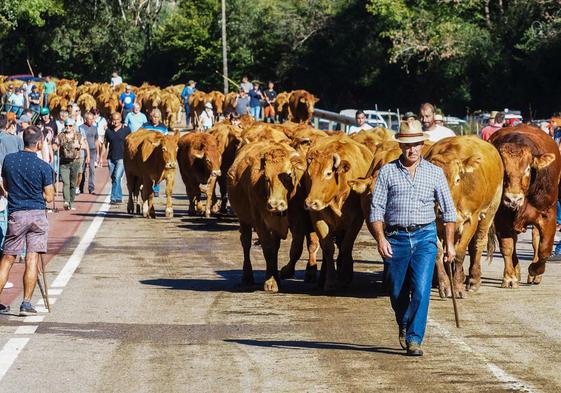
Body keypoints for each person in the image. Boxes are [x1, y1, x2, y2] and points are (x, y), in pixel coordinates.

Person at [367, 120, 456, 356]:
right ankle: (404, 321)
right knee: (396, 291)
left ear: (423, 145)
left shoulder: (435, 173)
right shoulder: (387, 172)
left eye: (416, 144)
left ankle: (415, 338)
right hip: (395, 237)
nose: (412, 149)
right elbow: (376, 210)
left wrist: (449, 244)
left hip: (425, 236)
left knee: (421, 288)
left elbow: (449, 212)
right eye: (407, 144)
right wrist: (380, 239)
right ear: (400, 145)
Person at [0, 126, 54, 315]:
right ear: (39, 143)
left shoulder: (9, 160)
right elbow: (49, 197)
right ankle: (26, 303)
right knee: (32, 258)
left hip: (16, 214)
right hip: (37, 215)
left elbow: (5, 186)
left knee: (8, 258)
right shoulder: (44, 167)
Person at [56, 118, 89, 210]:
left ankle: (72, 202)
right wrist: (55, 147)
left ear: (73, 126)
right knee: (66, 182)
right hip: (64, 163)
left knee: (73, 183)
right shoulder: (61, 136)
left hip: (75, 162)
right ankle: (66, 201)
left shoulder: (79, 136)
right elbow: (55, 144)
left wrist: (78, 145)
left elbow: (85, 146)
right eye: (66, 125)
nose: (68, 127)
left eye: (70, 125)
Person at [102, 113, 131, 204]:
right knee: (114, 178)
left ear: (121, 119)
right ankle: (119, 197)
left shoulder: (126, 129)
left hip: (122, 158)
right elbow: (105, 145)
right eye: (114, 120)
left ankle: (113, 198)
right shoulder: (108, 131)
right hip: (111, 158)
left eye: (117, 119)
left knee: (117, 177)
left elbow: (130, 143)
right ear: (111, 120)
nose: (115, 122)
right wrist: (100, 158)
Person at [78, 113, 100, 194]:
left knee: (92, 169)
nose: (91, 121)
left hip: (92, 150)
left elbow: (96, 140)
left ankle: (91, 188)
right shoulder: (80, 128)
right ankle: (80, 187)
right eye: (89, 119)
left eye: (92, 119)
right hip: (83, 150)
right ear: (85, 119)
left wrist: (98, 154)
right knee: (82, 169)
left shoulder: (95, 128)